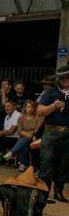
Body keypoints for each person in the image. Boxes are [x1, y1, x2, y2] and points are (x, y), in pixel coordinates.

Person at [37, 65, 69, 203]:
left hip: (67, 134)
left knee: (64, 165)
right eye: (62, 77)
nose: (65, 79)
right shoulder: (50, 93)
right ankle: (43, 194)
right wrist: (53, 106)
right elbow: (39, 111)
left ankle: (59, 191)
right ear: (58, 79)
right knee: (47, 163)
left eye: (67, 77)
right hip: (51, 132)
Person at [6, 100, 42, 171]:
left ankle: (12, 153)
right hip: (24, 138)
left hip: (34, 138)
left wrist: (29, 134)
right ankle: (22, 164)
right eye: (28, 107)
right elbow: (19, 131)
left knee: (23, 141)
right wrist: (27, 134)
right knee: (24, 145)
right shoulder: (21, 118)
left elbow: (36, 130)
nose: (31, 109)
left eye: (32, 107)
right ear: (25, 108)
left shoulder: (38, 118)